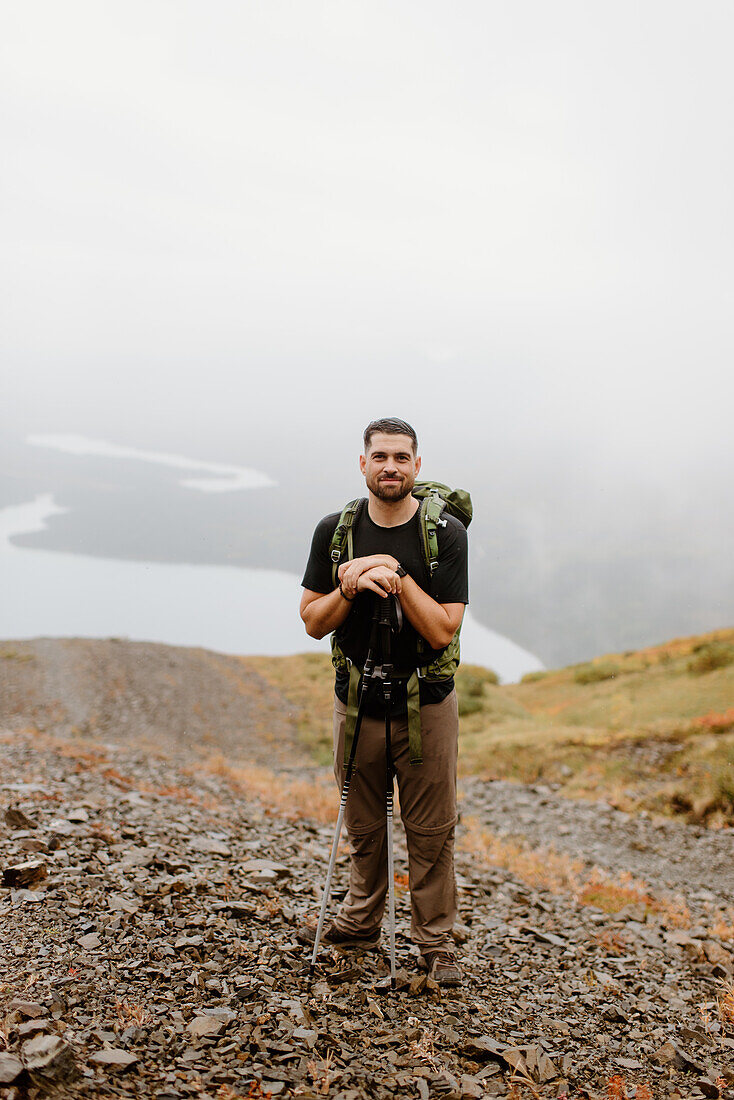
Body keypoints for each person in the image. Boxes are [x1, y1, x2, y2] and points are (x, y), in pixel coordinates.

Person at [298, 417, 469, 986]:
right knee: (365, 824)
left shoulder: (444, 534)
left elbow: (444, 629)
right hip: (358, 699)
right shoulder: (335, 531)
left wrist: (392, 573)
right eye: (380, 457)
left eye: (401, 457)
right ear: (363, 464)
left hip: (427, 704)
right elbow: (311, 622)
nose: (390, 467)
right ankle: (360, 920)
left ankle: (435, 940)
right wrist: (348, 584)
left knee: (431, 827)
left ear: (417, 467)